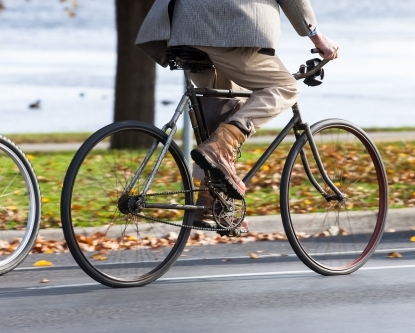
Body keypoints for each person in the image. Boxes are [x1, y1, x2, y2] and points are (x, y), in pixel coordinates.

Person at [135, 0, 339, 232]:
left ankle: (210, 202)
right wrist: (317, 36)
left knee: (220, 110)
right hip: (228, 23)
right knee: (285, 88)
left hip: (184, 27)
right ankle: (223, 146)